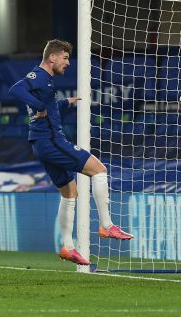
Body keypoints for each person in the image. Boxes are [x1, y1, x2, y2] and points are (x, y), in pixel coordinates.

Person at [8, 39, 133, 266]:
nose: (67, 63)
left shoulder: (46, 82)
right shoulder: (39, 76)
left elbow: (45, 104)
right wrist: (39, 107)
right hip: (51, 141)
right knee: (99, 170)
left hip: (41, 144)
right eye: (65, 58)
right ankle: (106, 226)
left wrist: (63, 103)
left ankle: (67, 246)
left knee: (70, 193)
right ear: (52, 57)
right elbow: (16, 89)